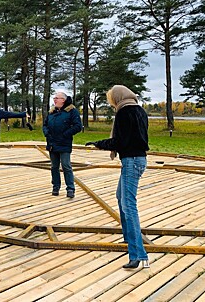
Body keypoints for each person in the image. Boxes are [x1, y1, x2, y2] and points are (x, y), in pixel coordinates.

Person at [85, 85, 150, 269]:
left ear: (118, 98)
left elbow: (120, 142)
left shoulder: (124, 113)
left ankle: (138, 254)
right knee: (120, 197)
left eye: (112, 100)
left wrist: (99, 144)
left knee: (129, 205)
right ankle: (129, 237)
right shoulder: (140, 111)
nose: (112, 103)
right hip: (139, 159)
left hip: (131, 161)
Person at [42, 92, 82, 198]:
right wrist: (46, 133)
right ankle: (55, 187)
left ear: (63, 100)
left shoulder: (72, 111)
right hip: (52, 143)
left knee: (66, 166)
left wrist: (65, 134)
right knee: (54, 166)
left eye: (57, 98)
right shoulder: (52, 112)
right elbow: (45, 124)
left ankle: (70, 189)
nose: (54, 100)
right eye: (54, 98)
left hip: (64, 143)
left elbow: (78, 126)